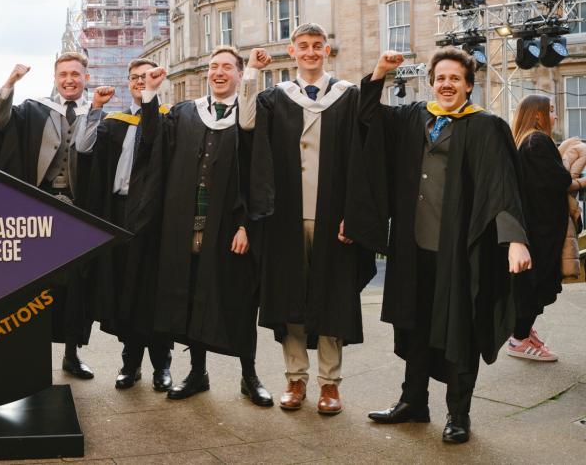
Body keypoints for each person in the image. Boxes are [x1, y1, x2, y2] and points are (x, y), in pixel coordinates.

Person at [356, 48, 532, 444]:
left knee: (460, 330)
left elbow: (503, 186)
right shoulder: (415, 116)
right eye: (441, 78)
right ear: (431, 82)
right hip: (413, 246)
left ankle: (458, 414)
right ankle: (413, 402)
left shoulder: (485, 126)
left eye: (455, 78)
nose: (447, 84)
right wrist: (380, 73)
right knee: (414, 323)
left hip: (460, 250)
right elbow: (367, 116)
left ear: (469, 85)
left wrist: (515, 239)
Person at [243, 24, 375, 415]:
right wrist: (251, 70)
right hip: (286, 216)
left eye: (317, 46)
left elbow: (364, 158)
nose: (311, 52)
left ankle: (330, 384)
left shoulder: (348, 97)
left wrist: (354, 215)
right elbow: (246, 122)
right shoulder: (275, 97)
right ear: (292, 51)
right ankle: (295, 378)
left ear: (327, 50)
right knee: (290, 297)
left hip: (332, 215)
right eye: (304, 46)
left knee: (332, 296)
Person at [132, 46, 272, 406]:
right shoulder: (184, 113)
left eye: (227, 67)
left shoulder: (251, 116)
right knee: (192, 296)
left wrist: (247, 226)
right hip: (185, 226)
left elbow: (257, 173)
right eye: (213, 67)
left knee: (240, 300)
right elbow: (150, 142)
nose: (218, 72)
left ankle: (249, 376)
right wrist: (150, 94)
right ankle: (197, 373)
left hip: (230, 229)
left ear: (239, 75)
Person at [0, 52, 108, 379]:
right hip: (38, 206)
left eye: (75, 74)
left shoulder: (97, 112)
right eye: (63, 74)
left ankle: (72, 352)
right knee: (35, 282)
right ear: (55, 78)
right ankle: (32, 352)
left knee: (75, 285)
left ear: (85, 77)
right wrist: (10, 83)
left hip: (78, 208)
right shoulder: (33, 109)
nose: (69, 79)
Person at [74, 58, 173, 391]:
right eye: (134, 78)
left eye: (146, 77)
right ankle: (130, 364)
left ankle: (162, 366)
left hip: (155, 217)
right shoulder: (114, 121)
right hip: (118, 210)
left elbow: (151, 142)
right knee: (126, 291)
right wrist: (95, 107)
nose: (139, 82)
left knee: (153, 292)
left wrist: (152, 97)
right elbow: (84, 148)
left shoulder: (167, 118)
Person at [507, 95, 572, 361]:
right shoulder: (539, 141)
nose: (555, 116)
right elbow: (560, 179)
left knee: (529, 283)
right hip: (541, 229)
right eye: (551, 111)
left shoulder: (523, 141)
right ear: (537, 115)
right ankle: (519, 339)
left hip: (532, 226)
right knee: (536, 284)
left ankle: (522, 333)